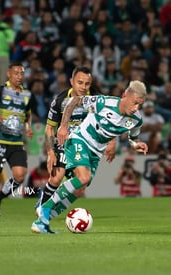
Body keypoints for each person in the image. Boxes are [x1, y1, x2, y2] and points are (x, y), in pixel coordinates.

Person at [31, 80, 149, 233]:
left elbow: (134, 138)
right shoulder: (103, 103)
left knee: (80, 190)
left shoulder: (136, 120)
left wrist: (136, 144)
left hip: (96, 152)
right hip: (80, 140)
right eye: (134, 103)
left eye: (140, 105)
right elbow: (75, 100)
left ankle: (43, 221)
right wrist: (64, 126)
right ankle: (44, 208)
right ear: (125, 95)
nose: (136, 108)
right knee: (84, 178)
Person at [36, 66, 116, 218]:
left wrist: (112, 142)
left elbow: (110, 119)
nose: (84, 87)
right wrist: (50, 152)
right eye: (80, 83)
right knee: (57, 176)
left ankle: (51, 212)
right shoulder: (59, 101)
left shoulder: (96, 99)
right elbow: (49, 129)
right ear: (71, 81)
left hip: (85, 146)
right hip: (64, 144)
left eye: (87, 84)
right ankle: (43, 208)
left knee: (80, 189)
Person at [0, 62, 33, 222]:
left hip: (16, 142)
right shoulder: (1, 90)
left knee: (20, 175)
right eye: (16, 73)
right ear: (9, 74)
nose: (19, 76)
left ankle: (0, 198)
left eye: (21, 73)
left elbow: (27, 113)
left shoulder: (27, 94)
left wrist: (28, 127)